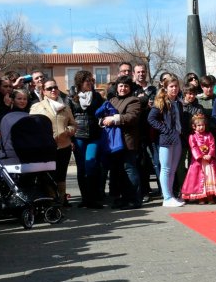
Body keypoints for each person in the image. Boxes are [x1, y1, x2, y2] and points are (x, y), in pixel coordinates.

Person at [30, 79, 77, 206]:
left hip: (64, 146)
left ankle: (61, 201)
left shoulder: (66, 107)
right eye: (49, 88)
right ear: (43, 91)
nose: (53, 90)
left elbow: (73, 124)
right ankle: (51, 203)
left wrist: (68, 131)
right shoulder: (36, 107)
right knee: (48, 175)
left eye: (55, 87)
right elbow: (31, 126)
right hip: (46, 147)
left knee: (61, 175)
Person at [102, 75, 143, 210]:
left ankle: (134, 199)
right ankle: (121, 198)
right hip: (113, 142)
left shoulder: (134, 100)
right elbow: (104, 115)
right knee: (117, 172)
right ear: (117, 87)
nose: (123, 88)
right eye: (121, 86)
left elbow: (132, 117)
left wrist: (113, 119)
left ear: (129, 88)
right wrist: (103, 120)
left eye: (126, 86)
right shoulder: (112, 100)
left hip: (127, 141)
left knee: (129, 170)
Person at [67, 70, 105, 209]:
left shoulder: (97, 96)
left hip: (94, 135)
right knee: (81, 168)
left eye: (91, 80)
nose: (89, 83)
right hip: (78, 136)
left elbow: (103, 113)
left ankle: (94, 198)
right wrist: (70, 139)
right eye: (87, 80)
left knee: (92, 165)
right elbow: (68, 118)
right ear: (80, 82)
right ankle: (85, 199)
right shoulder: (71, 97)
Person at [148, 75, 185, 208]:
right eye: (171, 86)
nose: (174, 89)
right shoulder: (161, 102)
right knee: (165, 168)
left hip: (177, 138)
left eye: (176, 86)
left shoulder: (178, 102)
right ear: (165, 87)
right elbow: (151, 119)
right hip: (165, 139)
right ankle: (167, 197)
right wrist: (166, 130)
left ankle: (171, 196)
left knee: (173, 169)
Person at [181, 114, 216, 203]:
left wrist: (210, 154)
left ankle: (210, 196)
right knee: (198, 178)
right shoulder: (192, 136)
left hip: (209, 162)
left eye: (203, 125)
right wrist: (200, 156)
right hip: (198, 162)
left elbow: (212, 145)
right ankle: (201, 197)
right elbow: (193, 147)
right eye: (199, 125)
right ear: (193, 126)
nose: (201, 127)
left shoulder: (209, 135)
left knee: (209, 177)